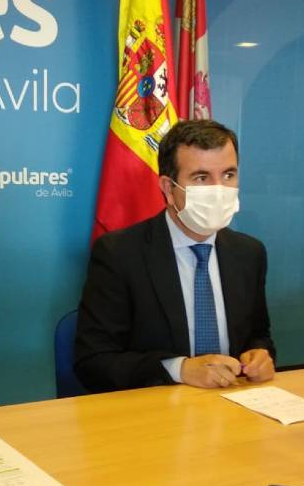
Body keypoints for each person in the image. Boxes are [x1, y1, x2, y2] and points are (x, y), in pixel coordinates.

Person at [75, 120, 276, 392]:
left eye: (228, 175)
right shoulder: (120, 254)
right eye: (202, 178)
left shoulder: (249, 253)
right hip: (156, 414)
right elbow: (93, 362)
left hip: (234, 407)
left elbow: (258, 336)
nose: (219, 190)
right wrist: (179, 369)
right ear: (169, 189)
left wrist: (260, 355)